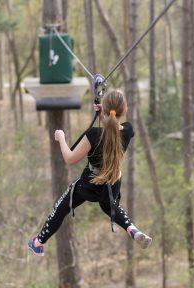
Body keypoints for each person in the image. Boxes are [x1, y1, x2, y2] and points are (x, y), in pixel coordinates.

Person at [28, 90, 152, 256]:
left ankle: (38, 242)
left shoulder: (93, 134)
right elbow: (112, 127)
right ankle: (133, 230)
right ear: (125, 111)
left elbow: (70, 158)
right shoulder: (128, 131)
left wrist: (62, 138)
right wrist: (104, 113)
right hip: (112, 185)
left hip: (89, 185)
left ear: (106, 110)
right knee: (111, 207)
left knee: (63, 206)